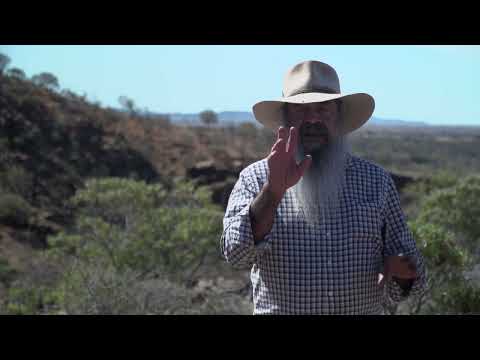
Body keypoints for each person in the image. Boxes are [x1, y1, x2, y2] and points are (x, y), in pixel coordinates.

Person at [220, 60, 427, 314]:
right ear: (285, 116)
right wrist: (272, 192)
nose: (312, 119)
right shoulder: (255, 178)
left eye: (323, 109)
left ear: (338, 115)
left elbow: (412, 279)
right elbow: (235, 254)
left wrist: (401, 271)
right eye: (301, 110)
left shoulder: (377, 182)